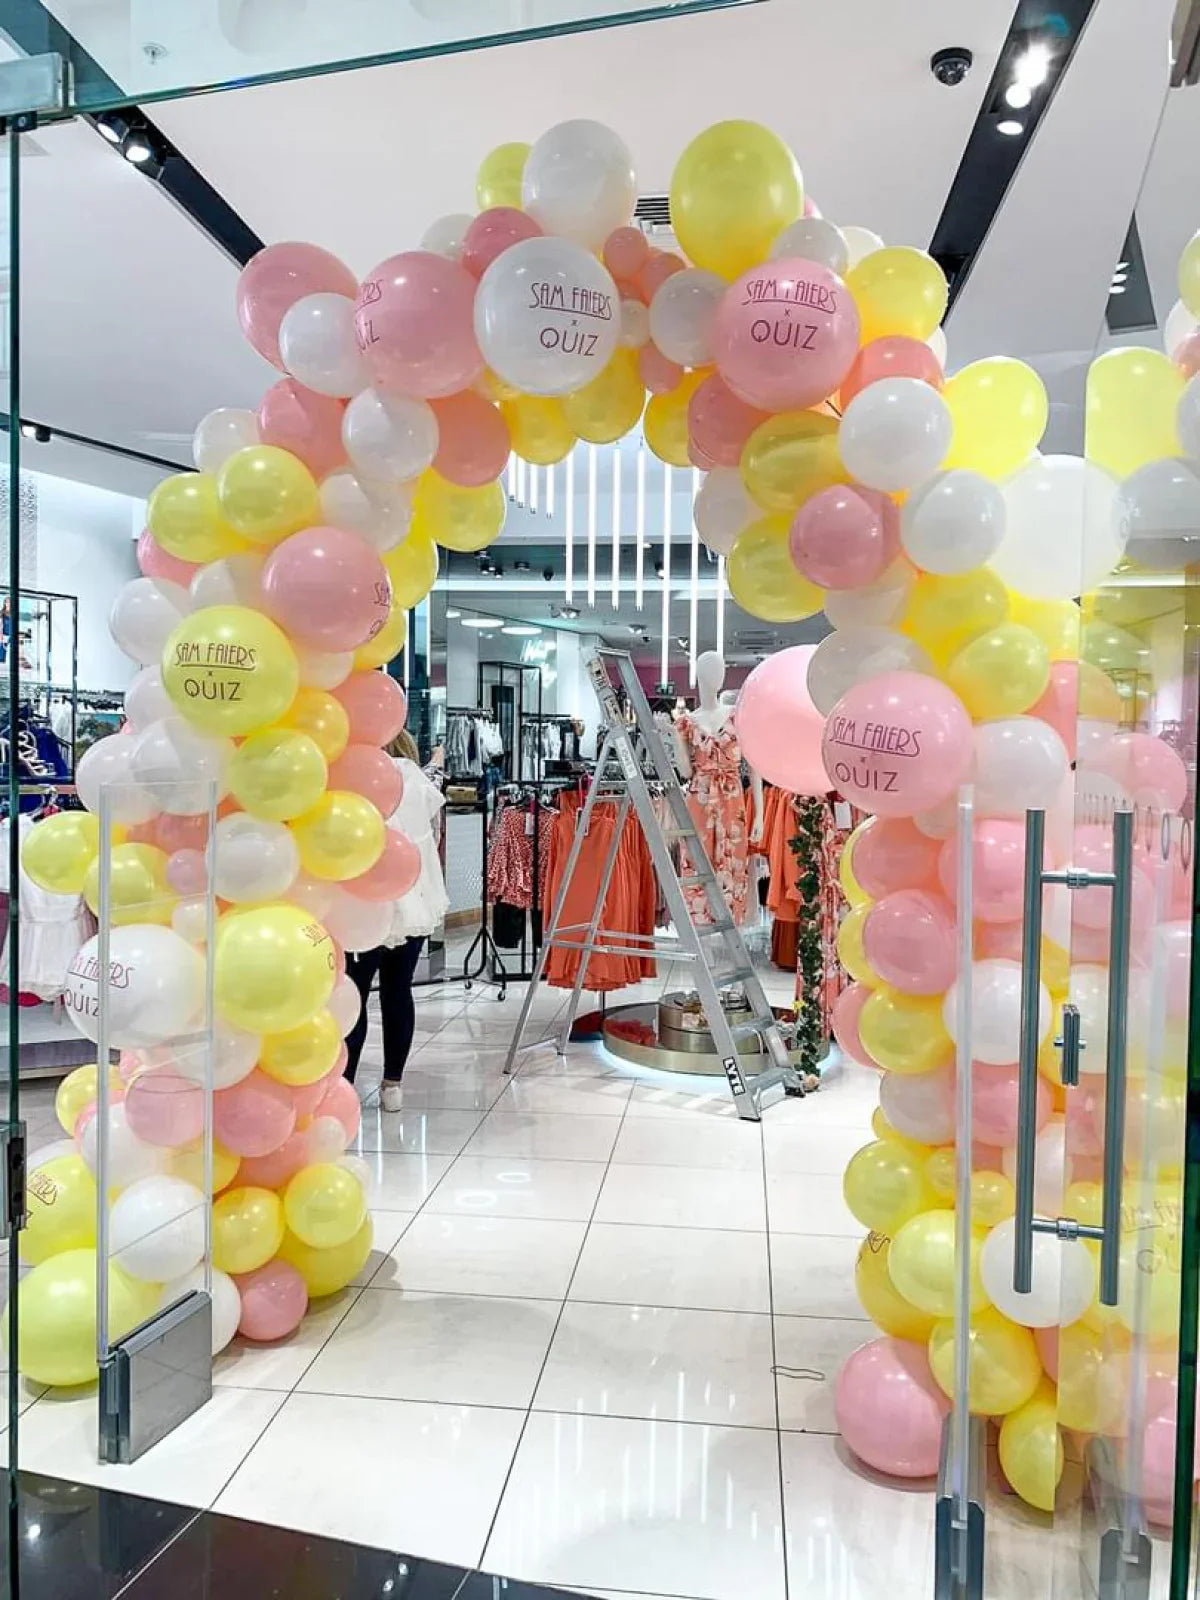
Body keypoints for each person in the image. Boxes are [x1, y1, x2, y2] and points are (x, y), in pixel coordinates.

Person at [343, 728, 448, 1110]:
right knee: (397, 990)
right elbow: (432, 834)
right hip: (413, 899)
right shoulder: (414, 778)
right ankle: (392, 1085)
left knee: (355, 994)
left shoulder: (355, 777)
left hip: (364, 903)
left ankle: (347, 1084)